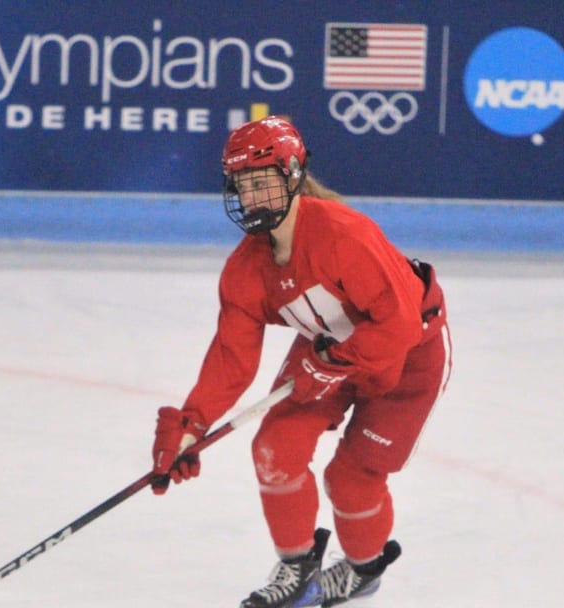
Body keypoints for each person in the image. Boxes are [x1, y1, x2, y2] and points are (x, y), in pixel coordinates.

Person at [149, 115, 452, 608]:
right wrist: (191, 423)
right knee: (275, 446)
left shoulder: (343, 235)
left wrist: (333, 363)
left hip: (409, 358)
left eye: (261, 181)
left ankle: (363, 571)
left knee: (351, 480)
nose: (250, 197)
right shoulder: (247, 268)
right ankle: (298, 567)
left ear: (291, 175)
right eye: (241, 185)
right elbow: (231, 358)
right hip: (328, 347)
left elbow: (396, 327)